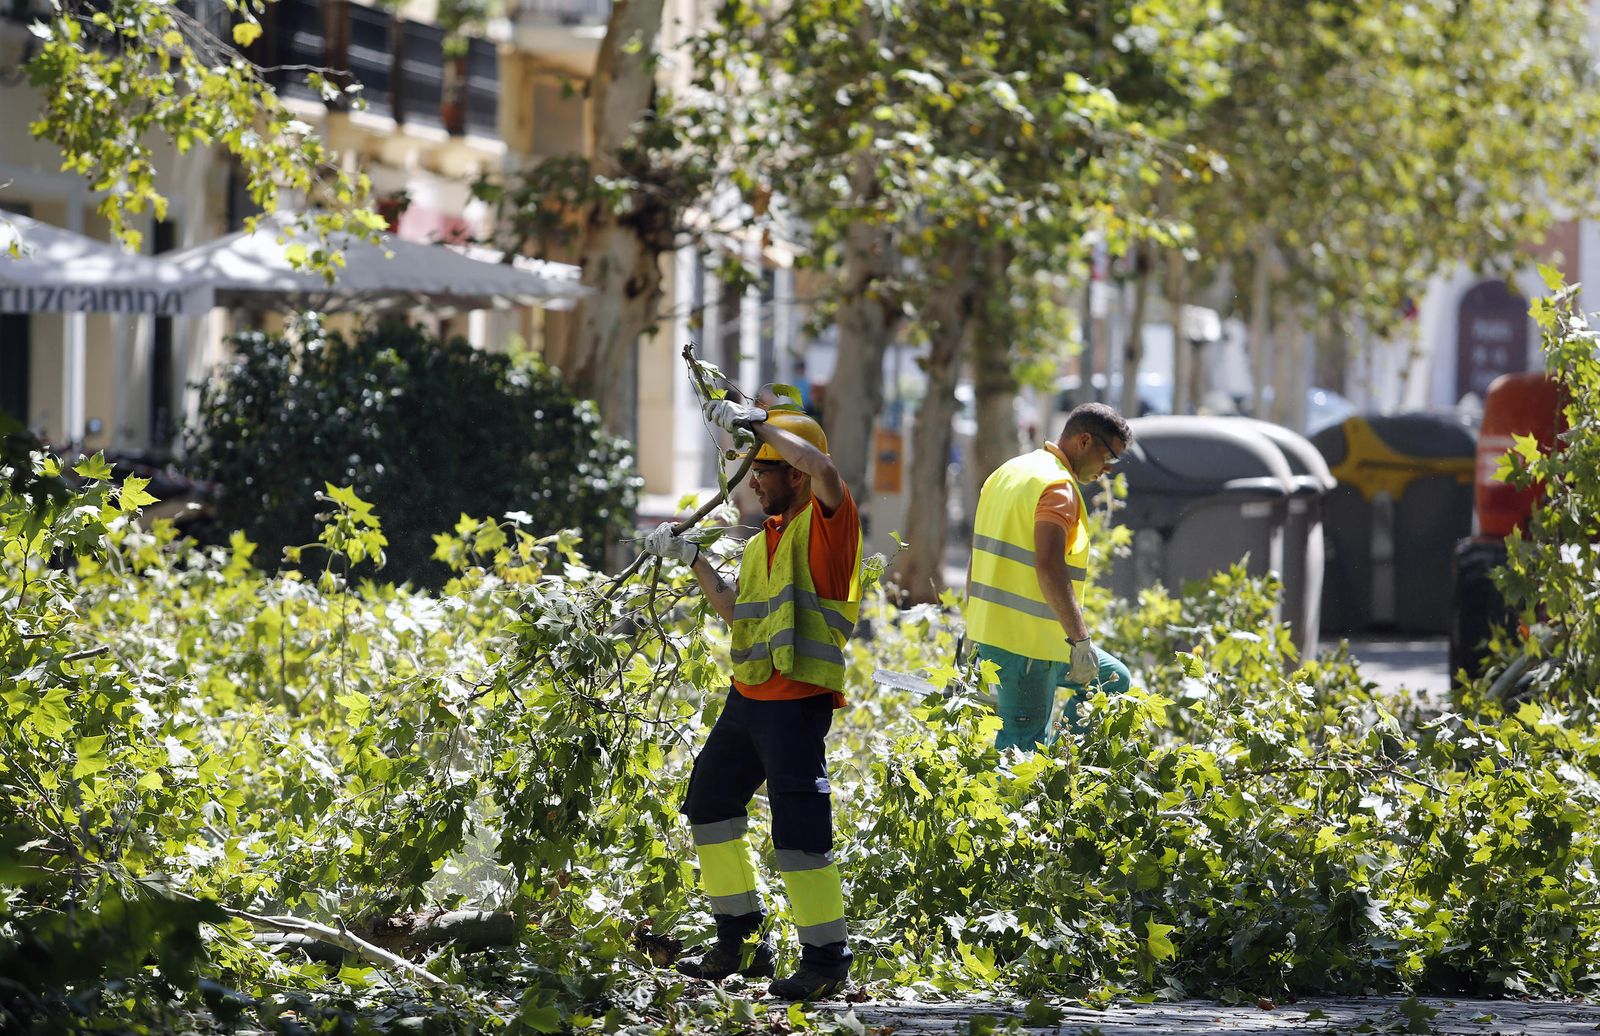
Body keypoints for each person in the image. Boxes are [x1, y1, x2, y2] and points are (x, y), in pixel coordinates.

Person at [642, 401, 861, 1001]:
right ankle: (739, 941)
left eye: (764, 468)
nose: (754, 478)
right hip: (749, 699)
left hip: (797, 706)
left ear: (794, 474)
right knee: (709, 805)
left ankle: (825, 959)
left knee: (799, 833)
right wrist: (694, 561)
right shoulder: (765, 539)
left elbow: (823, 466)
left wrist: (757, 423)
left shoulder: (828, 525)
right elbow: (741, 612)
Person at [964, 402, 1133, 751]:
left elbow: (978, 557)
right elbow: (1050, 566)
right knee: (1020, 752)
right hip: (1028, 647)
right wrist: (1081, 642)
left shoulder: (1008, 472)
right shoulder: (1058, 487)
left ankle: (1060, 761)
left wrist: (972, 633)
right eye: (1109, 457)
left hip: (1003, 637)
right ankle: (1045, 777)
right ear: (1084, 441)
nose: (1108, 470)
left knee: (1114, 679)